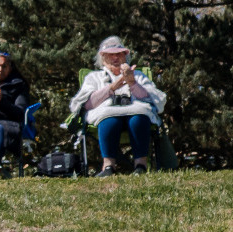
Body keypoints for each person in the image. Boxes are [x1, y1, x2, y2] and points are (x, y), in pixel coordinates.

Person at [68, 36, 165, 177]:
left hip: (136, 113)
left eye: (119, 54)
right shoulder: (94, 77)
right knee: (110, 120)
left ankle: (140, 166)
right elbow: (86, 104)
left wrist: (132, 83)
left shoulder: (138, 75)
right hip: (107, 115)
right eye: (110, 55)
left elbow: (153, 100)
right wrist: (111, 88)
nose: (115, 58)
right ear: (103, 58)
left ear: (125, 56)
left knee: (139, 118)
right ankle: (108, 167)